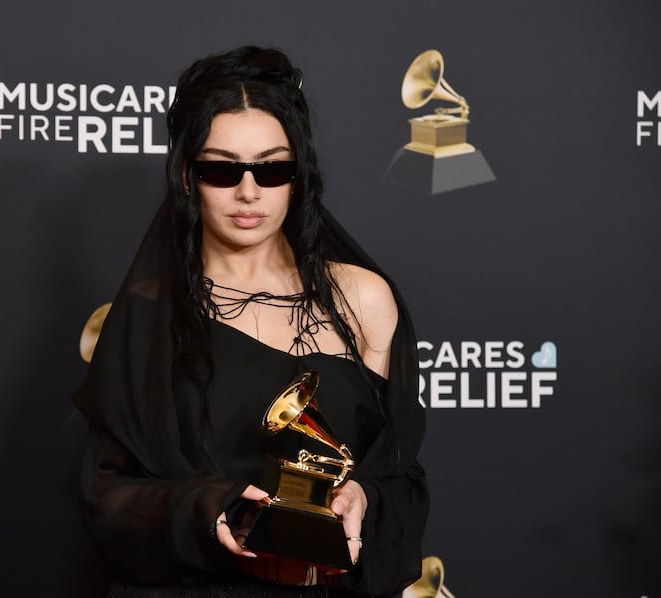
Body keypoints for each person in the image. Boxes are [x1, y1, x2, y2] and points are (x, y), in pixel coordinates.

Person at [73, 46, 428, 597]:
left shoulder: (363, 298)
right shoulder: (148, 317)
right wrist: (208, 510)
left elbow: (399, 475)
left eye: (272, 167)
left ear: (298, 175)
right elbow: (108, 496)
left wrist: (363, 497)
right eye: (221, 168)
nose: (248, 191)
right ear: (187, 175)